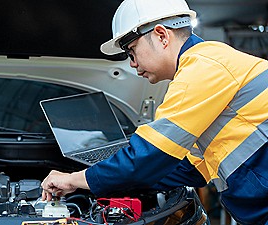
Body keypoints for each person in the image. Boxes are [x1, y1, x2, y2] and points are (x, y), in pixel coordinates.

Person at [41, 0, 268, 224]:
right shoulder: (210, 62)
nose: (132, 63)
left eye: (132, 51)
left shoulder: (203, 68)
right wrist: (110, 180)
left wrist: (75, 180)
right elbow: (191, 169)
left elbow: (149, 155)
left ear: (161, 35)